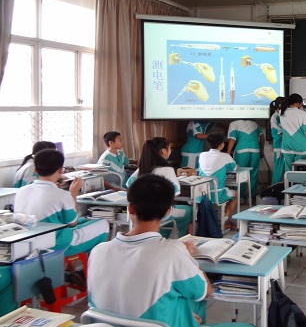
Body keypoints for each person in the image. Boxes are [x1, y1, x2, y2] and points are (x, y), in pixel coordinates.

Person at [87, 174, 213, 327]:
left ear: (130, 208)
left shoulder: (97, 252)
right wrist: (187, 255)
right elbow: (205, 291)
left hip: (106, 323)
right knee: (196, 300)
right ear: (168, 211)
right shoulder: (173, 253)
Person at [14, 149, 109, 255]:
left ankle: (79, 262)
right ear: (60, 170)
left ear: (35, 170)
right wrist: (73, 193)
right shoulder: (62, 195)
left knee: (85, 220)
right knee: (103, 223)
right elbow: (73, 223)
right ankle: (91, 260)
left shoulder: (21, 191)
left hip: (27, 244)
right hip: (56, 244)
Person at [126, 137, 192, 238]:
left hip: (139, 211)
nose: (170, 151)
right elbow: (175, 192)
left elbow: (129, 184)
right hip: (159, 212)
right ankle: (180, 238)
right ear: (164, 151)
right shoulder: (167, 169)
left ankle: (162, 234)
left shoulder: (143, 167)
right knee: (188, 210)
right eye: (170, 148)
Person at [198, 133, 238, 226]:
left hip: (201, 194)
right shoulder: (225, 156)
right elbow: (235, 168)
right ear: (221, 144)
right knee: (236, 194)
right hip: (217, 195)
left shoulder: (202, 155)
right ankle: (225, 220)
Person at [226, 120, 265, 203]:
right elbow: (262, 137)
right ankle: (251, 198)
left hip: (241, 150)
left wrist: (228, 154)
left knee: (240, 174)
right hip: (255, 149)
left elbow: (232, 140)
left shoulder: (234, 123)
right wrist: (262, 150)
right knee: (253, 174)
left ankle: (240, 197)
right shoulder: (254, 123)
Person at [279, 94, 306, 175]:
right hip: (300, 146)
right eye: (300, 103)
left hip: (287, 146)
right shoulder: (302, 113)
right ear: (297, 103)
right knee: (300, 172)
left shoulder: (281, 112)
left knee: (288, 172)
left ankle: (289, 183)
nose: (301, 105)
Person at [269, 97, 285, 185]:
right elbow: (280, 132)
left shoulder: (281, 116)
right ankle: (274, 189)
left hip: (284, 146)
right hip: (279, 145)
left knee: (284, 170)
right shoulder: (275, 117)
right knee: (278, 169)